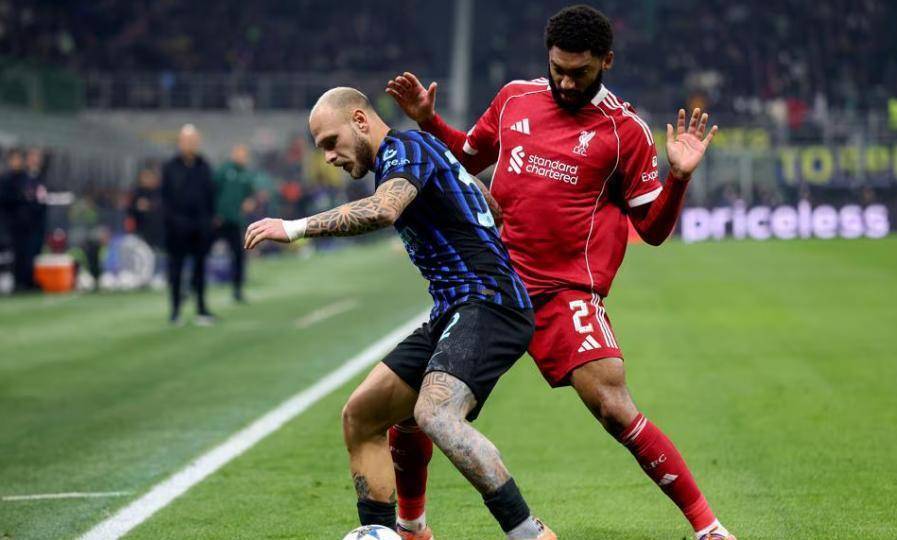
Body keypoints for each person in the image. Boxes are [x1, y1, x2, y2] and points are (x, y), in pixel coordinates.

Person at [385, 5, 735, 540]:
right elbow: (469, 157)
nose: (567, 82)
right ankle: (412, 528)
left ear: (606, 61)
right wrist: (429, 121)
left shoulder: (625, 131)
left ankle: (708, 528)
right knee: (413, 406)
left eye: (580, 72)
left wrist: (679, 179)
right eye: (558, 69)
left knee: (615, 408)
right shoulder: (514, 98)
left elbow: (654, 229)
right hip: (493, 285)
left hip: (564, 293)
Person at [244, 87, 556, 540]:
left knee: (435, 414)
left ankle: (530, 533)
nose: (328, 156)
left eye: (331, 142)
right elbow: (490, 205)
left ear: (360, 120)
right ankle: (396, 533)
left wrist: (294, 228)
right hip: (456, 306)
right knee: (362, 415)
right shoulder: (421, 151)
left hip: (489, 304)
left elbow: (385, 209)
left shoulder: (404, 148)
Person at [161, 124, 216, 326]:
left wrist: (209, 221)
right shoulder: (170, 167)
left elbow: (210, 195)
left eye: (193, 140)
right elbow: (165, 198)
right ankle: (175, 311)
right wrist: (171, 222)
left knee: (200, 269)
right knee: (176, 270)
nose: (190, 144)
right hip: (177, 227)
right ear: (180, 142)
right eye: (187, 140)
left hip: (200, 226)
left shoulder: (204, 166)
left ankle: (201, 309)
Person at [213, 144, 256, 302]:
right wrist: (214, 213)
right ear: (233, 155)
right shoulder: (224, 170)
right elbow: (212, 191)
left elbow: (250, 195)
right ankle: (193, 286)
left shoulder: (246, 175)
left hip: (235, 221)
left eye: (244, 155)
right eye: (239, 154)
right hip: (218, 220)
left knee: (238, 255)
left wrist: (249, 202)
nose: (241, 158)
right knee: (201, 251)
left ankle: (237, 289)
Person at [0, 148, 46, 292]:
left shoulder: (29, 178)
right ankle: (18, 282)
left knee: (31, 253)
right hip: (14, 225)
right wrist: (23, 198)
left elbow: (37, 199)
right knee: (18, 254)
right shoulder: (7, 179)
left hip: (31, 224)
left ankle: (28, 281)